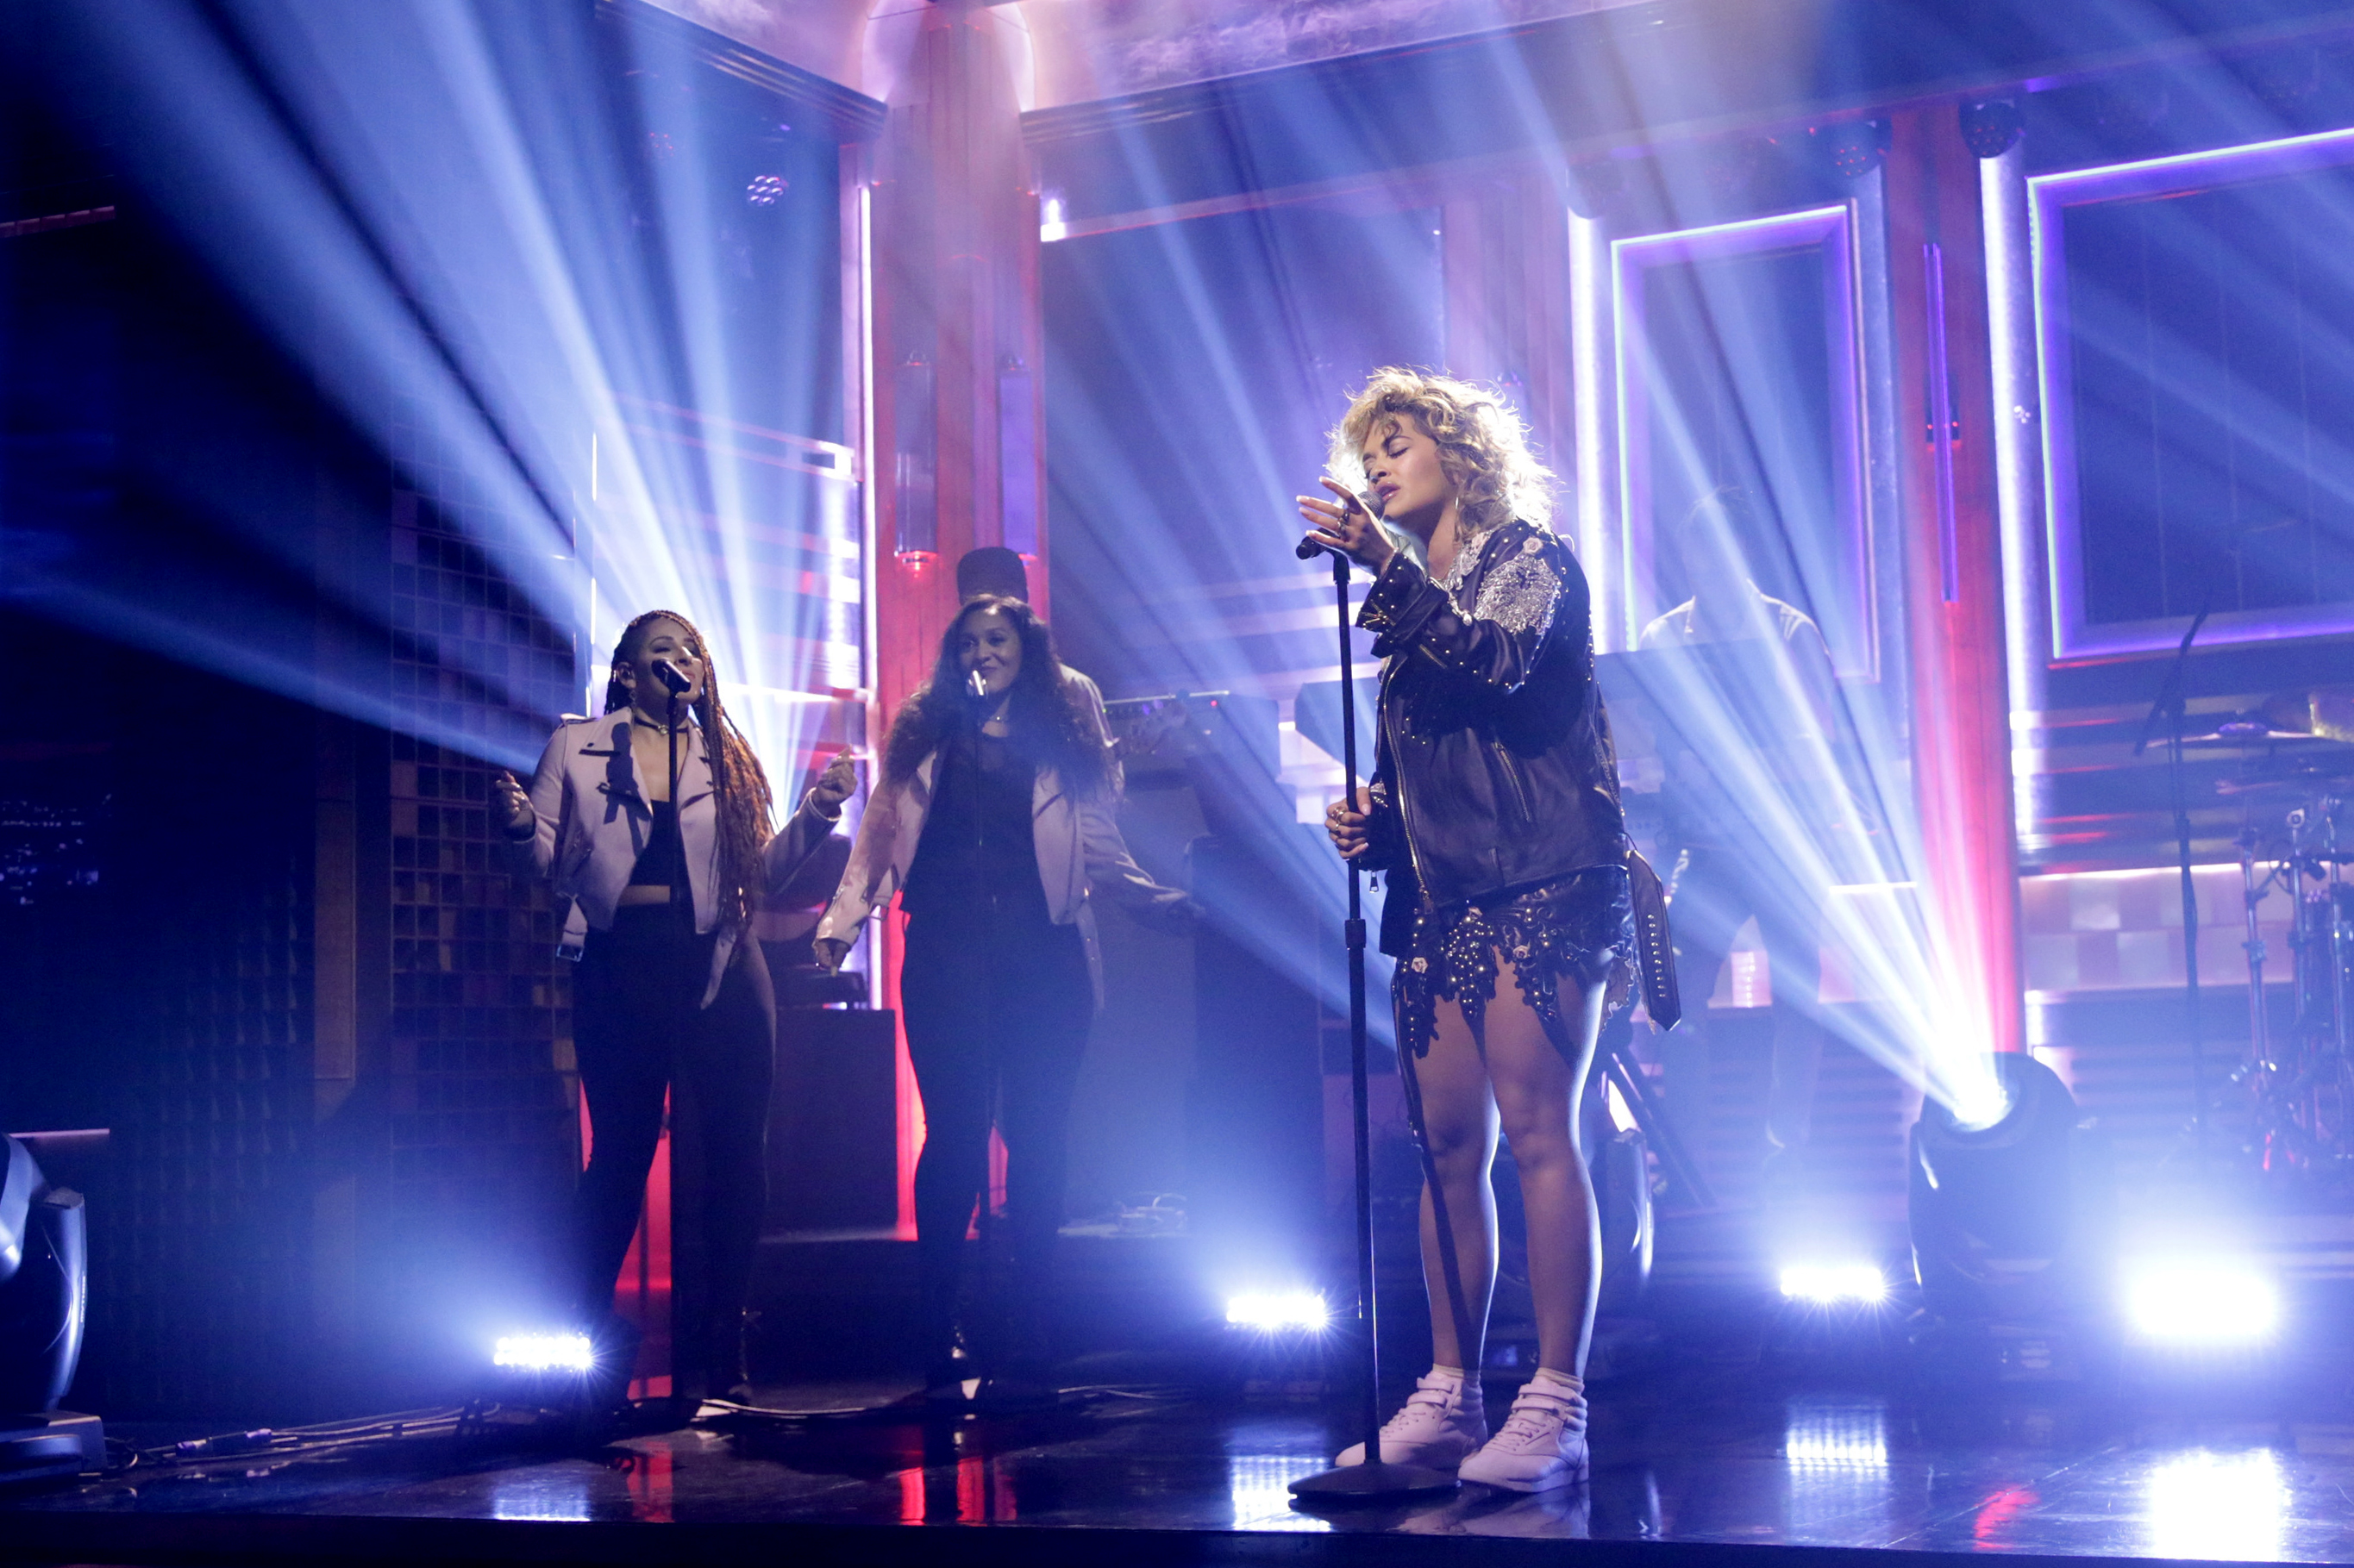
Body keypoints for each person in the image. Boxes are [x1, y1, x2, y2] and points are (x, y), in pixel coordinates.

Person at [1309, 368, 1669, 1492]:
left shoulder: (1528, 561)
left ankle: (1555, 1400)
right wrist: (1374, 822)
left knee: (1538, 1129)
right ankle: (1450, 1390)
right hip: (1447, 899)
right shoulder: (1407, 615)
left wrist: (1385, 573)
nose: (1377, 465)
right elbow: (1432, 769)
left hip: (1545, 879)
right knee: (1446, 1145)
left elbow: (1500, 663)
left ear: (1459, 452)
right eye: (1368, 451)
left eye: (1398, 442)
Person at [813, 595, 1187, 1412]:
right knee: (955, 1134)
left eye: (999, 639)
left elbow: (1098, 843)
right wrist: (840, 926)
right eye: (971, 642)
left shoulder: (1061, 733)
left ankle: (1030, 1325)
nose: (984, 652)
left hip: (1042, 958)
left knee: (1039, 1135)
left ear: (1027, 650)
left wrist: (1154, 901)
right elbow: (880, 833)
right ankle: (936, 1322)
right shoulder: (927, 733)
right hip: (947, 956)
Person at [493, 609, 856, 1402]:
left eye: (691, 649)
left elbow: (760, 875)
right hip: (624, 961)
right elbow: (544, 862)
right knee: (621, 1155)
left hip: (722, 960)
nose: (682, 658)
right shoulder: (579, 747)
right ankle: (582, 1345)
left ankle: (723, 1346)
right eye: (664, 649)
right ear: (628, 672)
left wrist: (818, 813)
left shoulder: (722, 754)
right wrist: (520, 827)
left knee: (738, 1155)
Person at [1637, 488, 1844, 1176]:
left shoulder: (1790, 632)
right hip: (1704, 849)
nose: (1711, 565)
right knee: (1673, 999)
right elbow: (1642, 733)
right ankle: (1687, 1156)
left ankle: (1789, 1150)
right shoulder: (1663, 639)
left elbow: (1820, 740)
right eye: (1700, 552)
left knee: (1798, 1001)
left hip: (1785, 850)